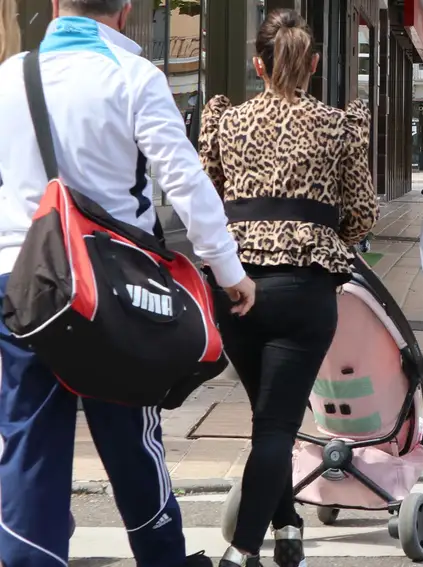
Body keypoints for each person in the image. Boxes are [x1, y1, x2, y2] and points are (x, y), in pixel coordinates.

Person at [0, 1, 256, 566]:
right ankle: (162, 559)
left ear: (54, 5)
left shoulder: (8, 77)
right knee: (130, 436)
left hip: (21, 282)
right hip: (110, 288)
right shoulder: (135, 78)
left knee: (29, 442)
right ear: (126, 11)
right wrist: (227, 270)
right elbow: (183, 179)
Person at [198, 9, 378, 567]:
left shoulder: (226, 121)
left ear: (258, 64)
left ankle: (288, 522)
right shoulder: (338, 125)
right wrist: (326, 237)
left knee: (266, 417)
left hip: (238, 286)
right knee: (276, 423)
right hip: (305, 288)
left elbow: (207, 199)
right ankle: (244, 550)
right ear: (315, 64)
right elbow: (364, 211)